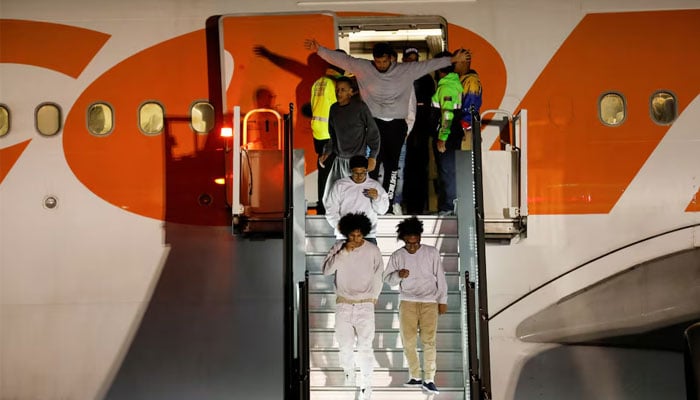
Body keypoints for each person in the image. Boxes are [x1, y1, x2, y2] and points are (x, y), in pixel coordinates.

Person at [304, 39, 470, 211]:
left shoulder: (404, 70)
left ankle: (389, 204)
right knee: (372, 164)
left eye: (384, 61)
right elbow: (342, 60)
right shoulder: (364, 67)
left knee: (393, 167)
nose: (381, 65)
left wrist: (450, 60)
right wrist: (319, 49)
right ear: (373, 59)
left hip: (396, 126)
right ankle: (369, 201)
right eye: (378, 61)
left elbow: (427, 65)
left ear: (391, 59)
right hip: (374, 124)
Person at [322, 212, 384, 400]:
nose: (356, 239)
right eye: (352, 235)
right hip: (344, 305)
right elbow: (326, 271)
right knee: (345, 346)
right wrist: (344, 251)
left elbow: (379, 274)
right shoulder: (338, 247)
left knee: (365, 347)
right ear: (346, 233)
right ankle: (349, 375)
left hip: (365, 305)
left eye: (359, 235)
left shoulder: (372, 250)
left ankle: (367, 384)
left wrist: (373, 297)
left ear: (364, 233)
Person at [383, 216, 448, 395]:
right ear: (403, 239)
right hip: (408, 301)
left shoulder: (431, 252)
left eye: (416, 242)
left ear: (420, 238)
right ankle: (415, 376)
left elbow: (441, 278)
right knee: (408, 341)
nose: (412, 246)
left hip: (429, 302)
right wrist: (398, 274)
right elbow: (387, 280)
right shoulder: (398, 255)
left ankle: (429, 379)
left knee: (429, 341)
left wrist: (442, 301)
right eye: (409, 243)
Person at [320, 76, 380, 202]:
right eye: (337, 90)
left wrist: (372, 156)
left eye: (343, 90)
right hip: (339, 160)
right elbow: (332, 134)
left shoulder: (360, 108)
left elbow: (373, 132)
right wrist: (327, 152)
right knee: (330, 197)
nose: (339, 93)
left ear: (351, 92)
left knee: (357, 197)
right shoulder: (334, 109)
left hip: (357, 161)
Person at [310, 50, 346, 214]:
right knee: (334, 173)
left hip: (318, 133)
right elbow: (341, 109)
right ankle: (328, 208)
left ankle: (321, 206)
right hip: (332, 134)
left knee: (324, 171)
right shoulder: (338, 84)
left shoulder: (318, 82)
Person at [401, 48, 436, 215]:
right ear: (403, 59)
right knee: (403, 170)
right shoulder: (398, 77)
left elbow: (429, 105)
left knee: (420, 170)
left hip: (420, 134)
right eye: (409, 59)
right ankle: (403, 205)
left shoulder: (427, 79)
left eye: (415, 59)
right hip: (402, 133)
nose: (412, 63)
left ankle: (418, 207)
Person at [325, 155, 389, 244]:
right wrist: (339, 226)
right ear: (350, 171)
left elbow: (383, 210)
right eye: (356, 173)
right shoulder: (339, 185)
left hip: (367, 236)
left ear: (366, 171)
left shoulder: (375, 186)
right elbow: (331, 209)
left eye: (362, 173)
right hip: (345, 236)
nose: (359, 176)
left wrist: (377, 198)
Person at [431, 51, 464, 216]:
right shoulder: (453, 83)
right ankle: (449, 205)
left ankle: (449, 208)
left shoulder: (446, 87)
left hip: (447, 135)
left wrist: (442, 138)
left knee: (448, 171)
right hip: (453, 133)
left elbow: (447, 114)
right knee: (449, 171)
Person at [453, 49, 482, 150]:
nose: (453, 64)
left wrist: (462, 128)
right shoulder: (461, 80)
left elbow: (471, 109)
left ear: (463, 62)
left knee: (465, 163)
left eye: (455, 61)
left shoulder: (471, 81)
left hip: (466, 132)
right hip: (462, 131)